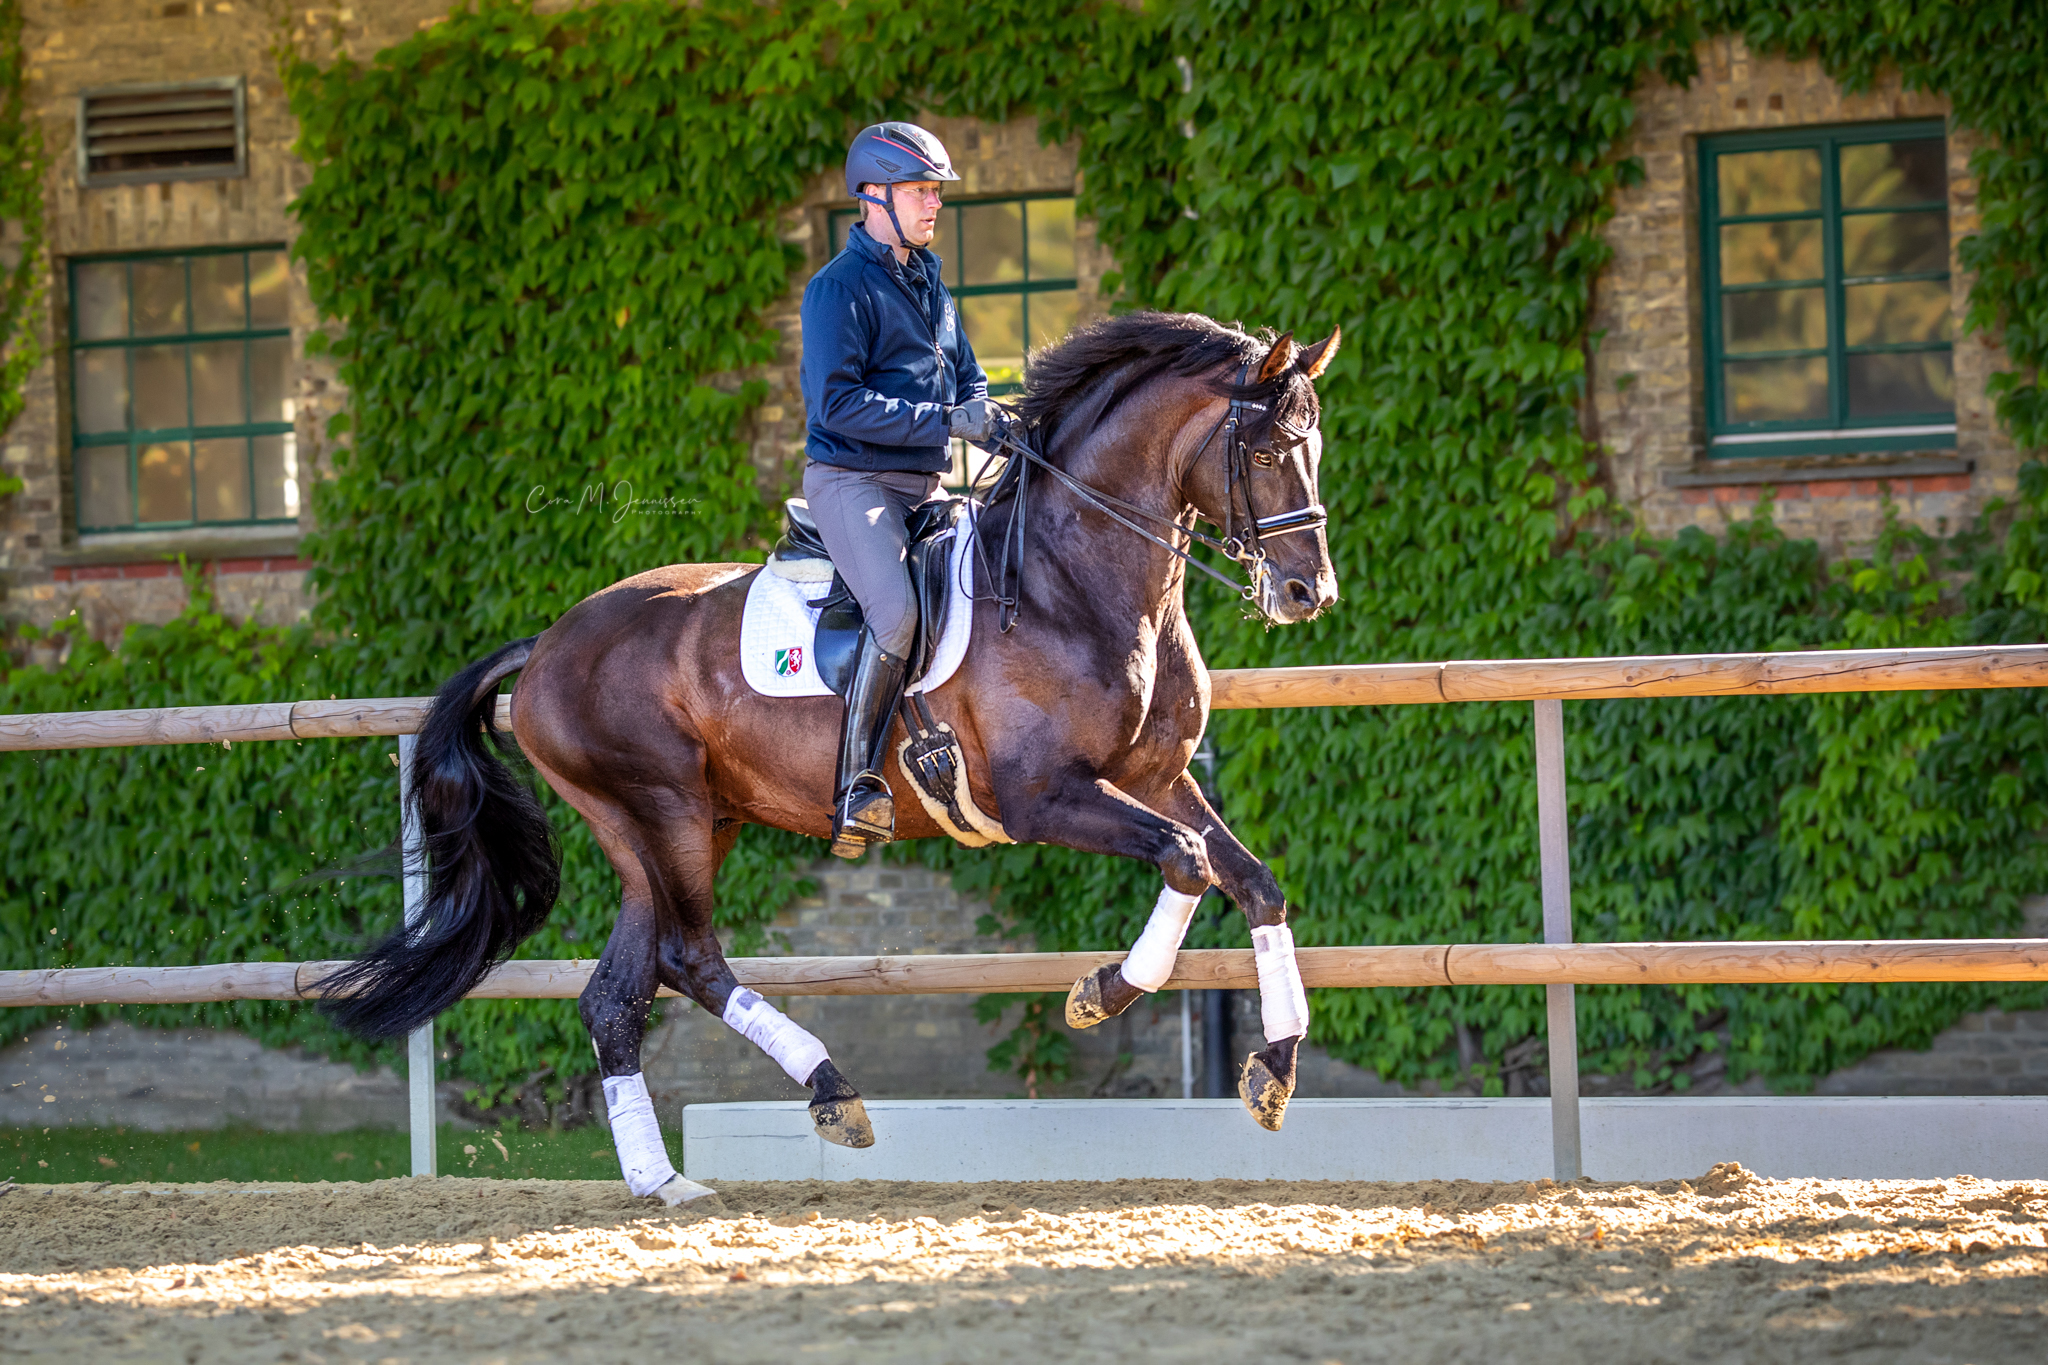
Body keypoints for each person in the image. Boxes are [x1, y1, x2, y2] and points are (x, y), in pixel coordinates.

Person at [799, 121, 993, 859]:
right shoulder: (837, 289)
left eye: (935, 190)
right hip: (854, 481)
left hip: (922, 482)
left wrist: (989, 414)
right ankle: (855, 788)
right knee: (898, 612)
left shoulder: (931, 280)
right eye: (920, 189)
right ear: (873, 197)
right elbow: (836, 405)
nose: (933, 202)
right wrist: (945, 418)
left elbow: (964, 374)